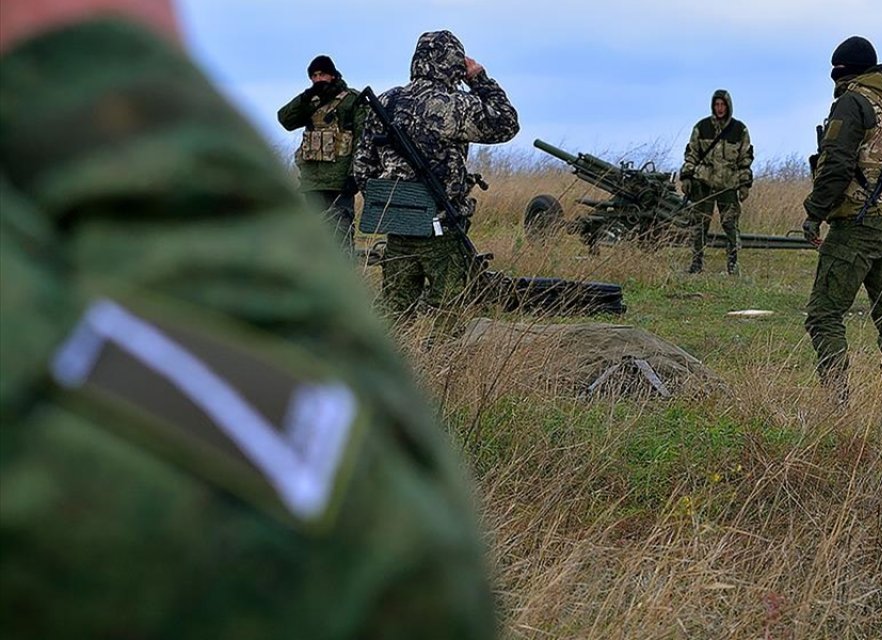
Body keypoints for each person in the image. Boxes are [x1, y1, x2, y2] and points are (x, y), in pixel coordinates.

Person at [0, 2, 496, 637]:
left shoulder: (375, 102)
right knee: (439, 302)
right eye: (316, 77)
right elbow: (401, 573)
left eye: (323, 77)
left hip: (381, 207)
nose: (319, 84)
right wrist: (106, 62)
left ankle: (428, 355)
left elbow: (365, 162)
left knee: (396, 296)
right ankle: (447, 358)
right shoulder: (427, 104)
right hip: (411, 210)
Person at [352, 30, 519, 321]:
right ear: (453, 63)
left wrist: (392, 202)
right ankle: (444, 365)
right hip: (440, 227)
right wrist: (479, 78)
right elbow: (507, 123)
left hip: (397, 223)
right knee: (450, 308)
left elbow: (361, 168)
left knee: (393, 311)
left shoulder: (386, 101)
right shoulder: (454, 104)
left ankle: (393, 364)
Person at [800, 36, 882, 400]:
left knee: (823, 316)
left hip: (857, 223)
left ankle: (837, 402)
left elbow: (835, 165)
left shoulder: (853, 102)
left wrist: (814, 213)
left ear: (841, 72)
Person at [277, 54, 363, 255]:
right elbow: (285, 119)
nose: (318, 79)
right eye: (314, 76)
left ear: (332, 75)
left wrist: (354, 175)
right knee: (315, 240)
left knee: (341, 238)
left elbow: (362, 139)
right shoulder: (310, 101)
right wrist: (305, 97)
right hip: (312, 181)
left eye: (322, 74)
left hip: (340, 182)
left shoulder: (351, 101)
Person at [679, 89, 754, 274]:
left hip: (728, 185)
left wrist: (744, 184)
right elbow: (692, 154)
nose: (719, 108)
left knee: (730, 225)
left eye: (723, 105)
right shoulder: (702, 127)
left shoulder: (739, 130)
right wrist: (687, 176)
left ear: (728, 106)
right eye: (717, 105)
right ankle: (696, 264)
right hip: (703, 182)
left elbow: (745, 159)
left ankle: (733, 265)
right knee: (699, 225)